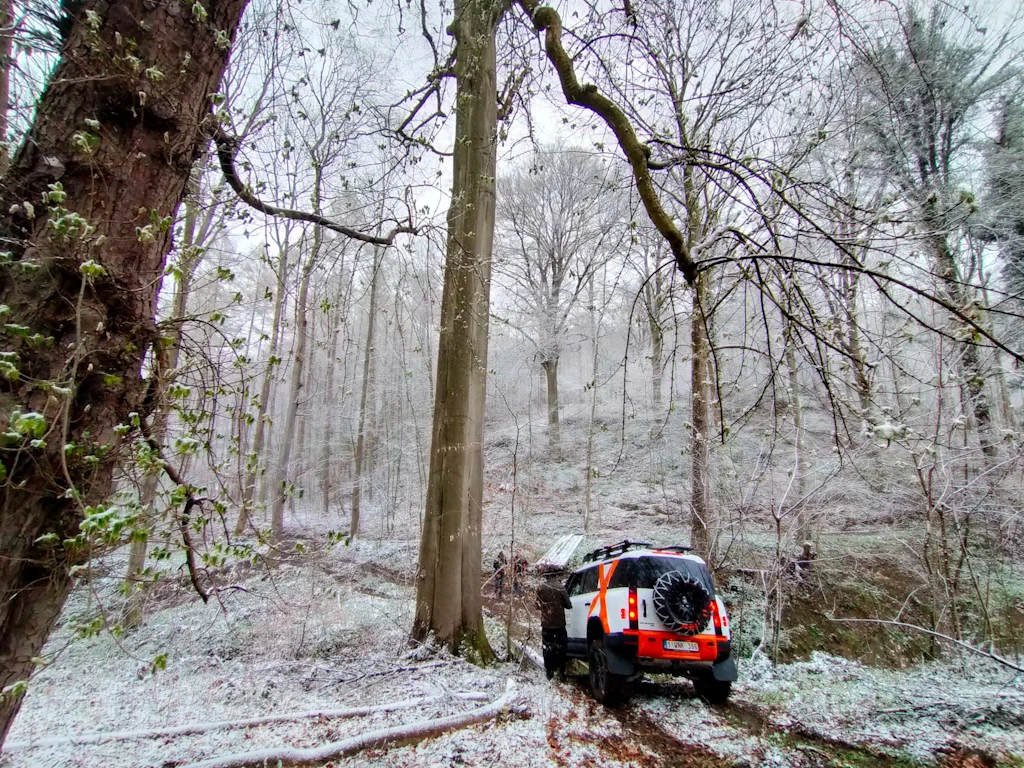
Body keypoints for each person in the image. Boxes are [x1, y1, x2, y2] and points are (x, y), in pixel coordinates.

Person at [536, 572, 572, 679]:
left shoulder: (540, 588)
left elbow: (537, 605)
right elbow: (569, 605)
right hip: (559, 623)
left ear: (546, 577)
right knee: (562, 646)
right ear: (555, 576)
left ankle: (549, 671)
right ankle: (561, 671)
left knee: (547, 646)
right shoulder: (561, 588)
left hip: (546, 623)